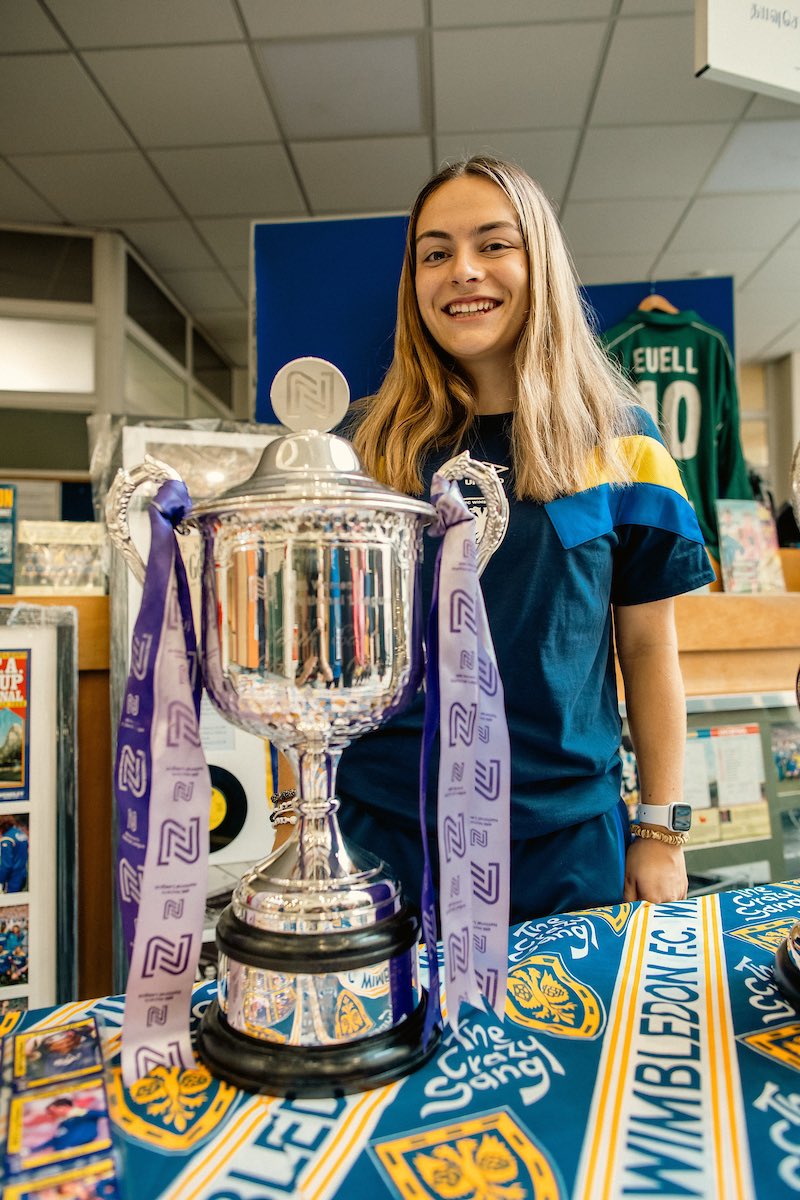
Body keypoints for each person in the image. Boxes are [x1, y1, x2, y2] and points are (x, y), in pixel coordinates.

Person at [332, 155, 714, 925]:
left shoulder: (624, 441)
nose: (462, 271)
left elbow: (648, 650)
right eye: (435, 253)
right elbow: (325, 654)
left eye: (493, 244)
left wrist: (661, 831)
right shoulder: (362, 446)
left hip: (565, 842)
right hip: (386, 832)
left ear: (539, 260)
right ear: (414, 284)